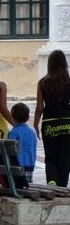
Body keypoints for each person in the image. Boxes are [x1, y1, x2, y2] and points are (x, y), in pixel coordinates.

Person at [33, 50, 70, 187]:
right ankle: (62, 185)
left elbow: (39, 108)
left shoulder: (42, 82)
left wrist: (36, 124)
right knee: (65, 157)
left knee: (50, 156)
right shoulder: (69, 82)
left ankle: (52, 180)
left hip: (49, 123)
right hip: (67, 122)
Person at [8, 103, 37, 184]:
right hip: (30, 165)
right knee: (27, 185)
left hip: (17, 166)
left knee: (17, 185)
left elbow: (10, 151)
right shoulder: (32, 132)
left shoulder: (13, 132)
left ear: (13, 117)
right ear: (27, 117)